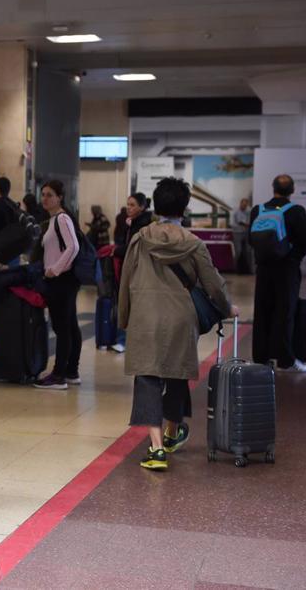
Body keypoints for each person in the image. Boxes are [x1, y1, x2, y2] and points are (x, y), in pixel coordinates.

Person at [119, 177, 234, 471]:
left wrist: (123, 317)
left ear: (156, 206)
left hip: (145, 315)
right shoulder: (193, 243)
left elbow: (126, 280)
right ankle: (172, 432)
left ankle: (157, 450)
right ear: (184, 208)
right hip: (181, 319)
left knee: (147, 377)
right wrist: (225, 308)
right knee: (175, 374)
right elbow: (213, 284)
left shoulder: (140, 238)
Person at [249, 175, 306, 373]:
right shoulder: (296, 211)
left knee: (262, 311)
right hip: (287, 270)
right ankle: (286, 360)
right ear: (292, 190)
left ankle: (261, 357)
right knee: (285, 312)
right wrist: (293, 258)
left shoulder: (257, 210)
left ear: (273, 188)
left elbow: (251, 239)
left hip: (263, 268)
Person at [33, 180, 82, 390]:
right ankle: (71, 371)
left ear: (59, 197)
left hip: (61, 281)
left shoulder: (62, 218)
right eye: (43, 194)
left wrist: (55, 268)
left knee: (62, 328)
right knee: (69, 326)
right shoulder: (53, 219)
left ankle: (59, 374)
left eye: (49, 194)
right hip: (63, 281)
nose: (45, 198)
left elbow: (73, 247)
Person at [111, 193, 153, 353]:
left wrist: (116, 251)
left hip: (137, 271)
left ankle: (124, 341)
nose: (128, 207)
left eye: (132, 205)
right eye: (128, 204)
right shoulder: (133, 222)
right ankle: (125, 340)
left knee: (130, 305)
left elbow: (132, 248)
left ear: (142, 207)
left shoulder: (142, 225)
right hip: (132, 270)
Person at [232, 197, 252, 274]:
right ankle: (237, 270)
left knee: (248, 251)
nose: (244, 206)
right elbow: (240, 222)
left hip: (246, 232)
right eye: (243, 205)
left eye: (245, 205)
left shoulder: (249, 210)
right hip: (237, 232)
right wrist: (249, 225)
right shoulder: (236, 211)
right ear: (240, 204)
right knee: (238, 251)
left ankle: (248, 270)